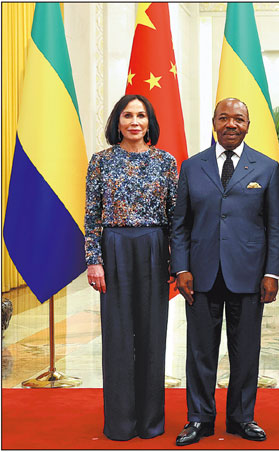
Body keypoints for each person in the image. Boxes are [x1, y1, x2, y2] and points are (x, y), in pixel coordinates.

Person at [171, 98, 279, 446]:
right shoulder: (192, 167)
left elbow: (274, 225)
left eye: (238, 119)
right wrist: (182, 267)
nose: (231, 124)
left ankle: (242, 418)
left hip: (249, 274)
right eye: (224, 118)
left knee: (246, 350)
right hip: (201, 274)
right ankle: (199, 418)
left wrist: (272, 272)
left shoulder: (265, 168)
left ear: (248, 125)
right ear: (213, 123)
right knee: (200, 351)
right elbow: (180, 224)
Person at [85, 94, 178, 440]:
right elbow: (92, 215)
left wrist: (177, 262)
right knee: (119, 336)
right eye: (128, 115)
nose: (135, 121)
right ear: (117, 122)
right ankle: (121, 423)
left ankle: (151, 422)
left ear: (149, 122)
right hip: (114, 249)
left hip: (154, 248)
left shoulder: (166, 162)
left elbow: (177, 218)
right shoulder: (101, 162)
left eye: (141, 115)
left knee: (153, 335)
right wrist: (94, 260)